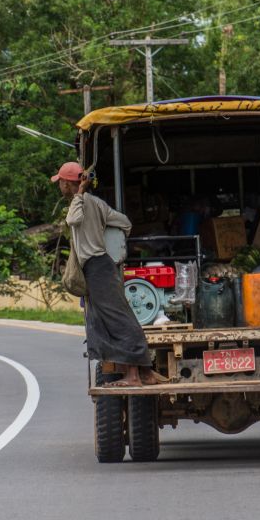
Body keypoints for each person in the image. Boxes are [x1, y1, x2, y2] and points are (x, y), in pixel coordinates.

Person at [52, 161, 164, 387]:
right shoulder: (97, 203)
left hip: (97, 268)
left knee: (118, 319)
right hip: (103, 265)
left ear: (67, 183)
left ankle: (134, 376)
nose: (59, 186)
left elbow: (72, 220)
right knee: (110, 319)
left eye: (61, 182)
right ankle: (145, 374)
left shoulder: (80, 203)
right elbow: (125, 223)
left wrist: (80, 194)